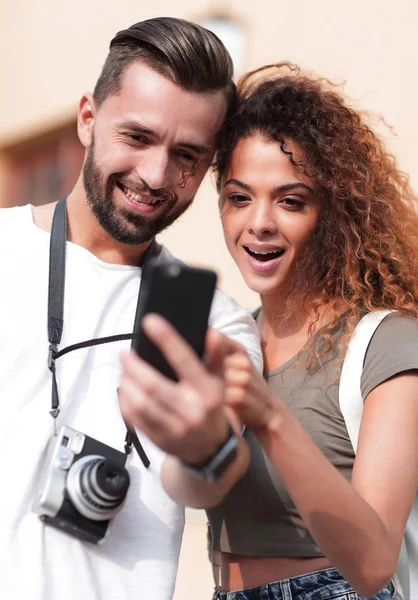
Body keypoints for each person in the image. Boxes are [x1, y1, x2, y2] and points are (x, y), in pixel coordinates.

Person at [120, 63, 418, 599]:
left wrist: (267, 413)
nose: (259, 222)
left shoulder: (388, 344)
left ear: (331, 213)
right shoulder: (227, 336)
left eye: (290, 200)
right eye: (239, 197)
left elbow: (374, 564)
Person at [0, 17, 262, 600]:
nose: (155, 175)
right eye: (138, 137)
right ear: (88, 119)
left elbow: (198, 483)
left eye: (187, 156)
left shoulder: (219, 324)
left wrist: (204, 447)